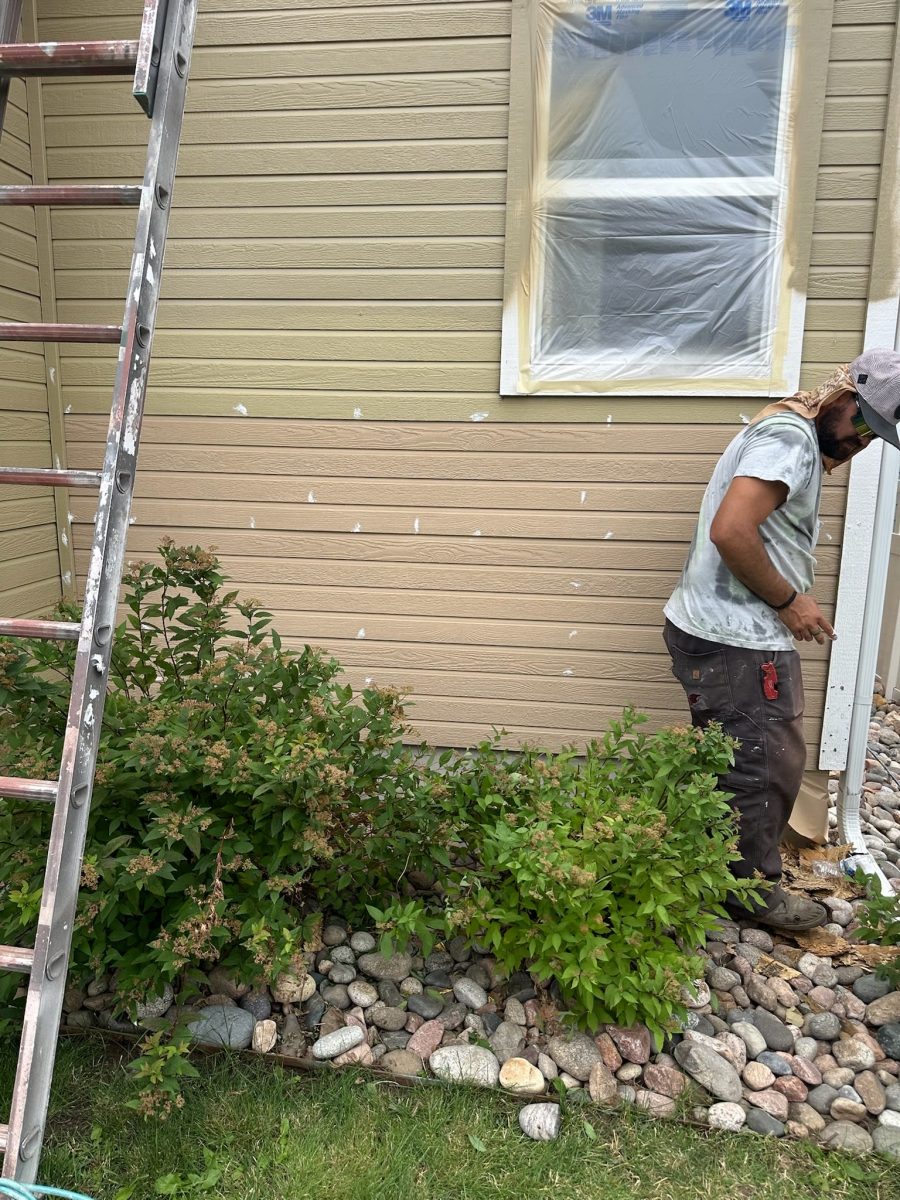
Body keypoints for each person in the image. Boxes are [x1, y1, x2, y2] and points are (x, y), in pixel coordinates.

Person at [663, 348, 900, 930]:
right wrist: (790, 602)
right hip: (736, 634)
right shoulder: (790, 439)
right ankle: (750, 894)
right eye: (863, 424)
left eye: (877, 436)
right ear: (842, 396)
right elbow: (732, 530)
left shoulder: (787, 430)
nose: (860, 443)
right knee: (767, 764)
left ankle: (708, 866)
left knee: (733, 760)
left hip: (723, 626)